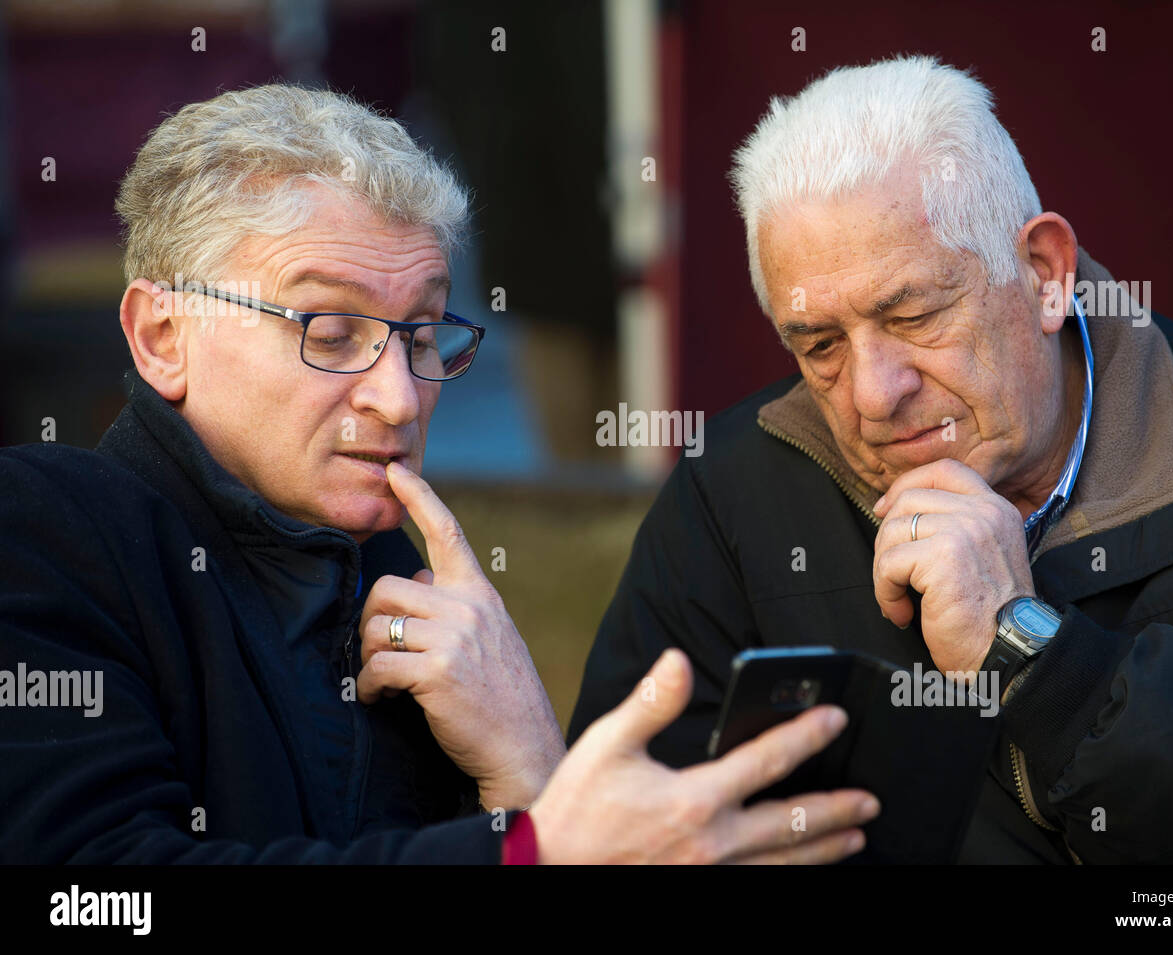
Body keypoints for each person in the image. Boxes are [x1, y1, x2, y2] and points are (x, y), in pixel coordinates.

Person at [0, 84, 881, 865]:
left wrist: (528, 765)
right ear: (163, 337)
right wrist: (534, 845)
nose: (398, 397)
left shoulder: (421, 601)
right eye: (331, 333)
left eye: (421, 337)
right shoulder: (45, 530)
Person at [569, 55, 1173, 863]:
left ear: (1044, 274)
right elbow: (617, 830)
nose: (874, 393)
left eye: (913, 316)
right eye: (821, 346)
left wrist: (1030, 651)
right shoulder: (733, 494)